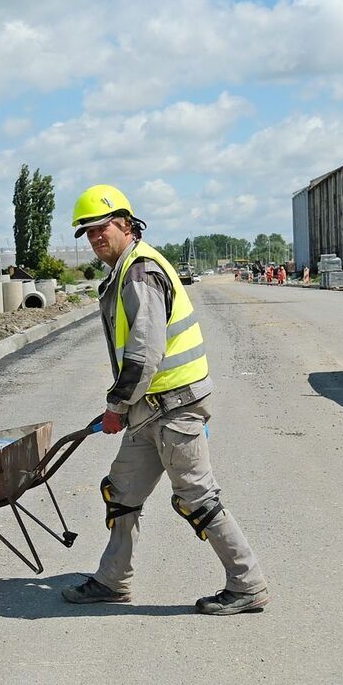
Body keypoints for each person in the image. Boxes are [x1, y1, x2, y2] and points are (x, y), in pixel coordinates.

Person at [61, 185, 269, 615]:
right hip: (149, 409)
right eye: (88, 233)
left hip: (174, 407)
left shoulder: (140, 272)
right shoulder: (125, 270)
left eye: (101, 228)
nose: (96, 239)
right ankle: (113, 580)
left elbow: (144, 352)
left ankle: (247, 584)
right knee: (121, 492)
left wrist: (115, 408)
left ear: (124, 223)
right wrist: (126, 408)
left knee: (197, 497)